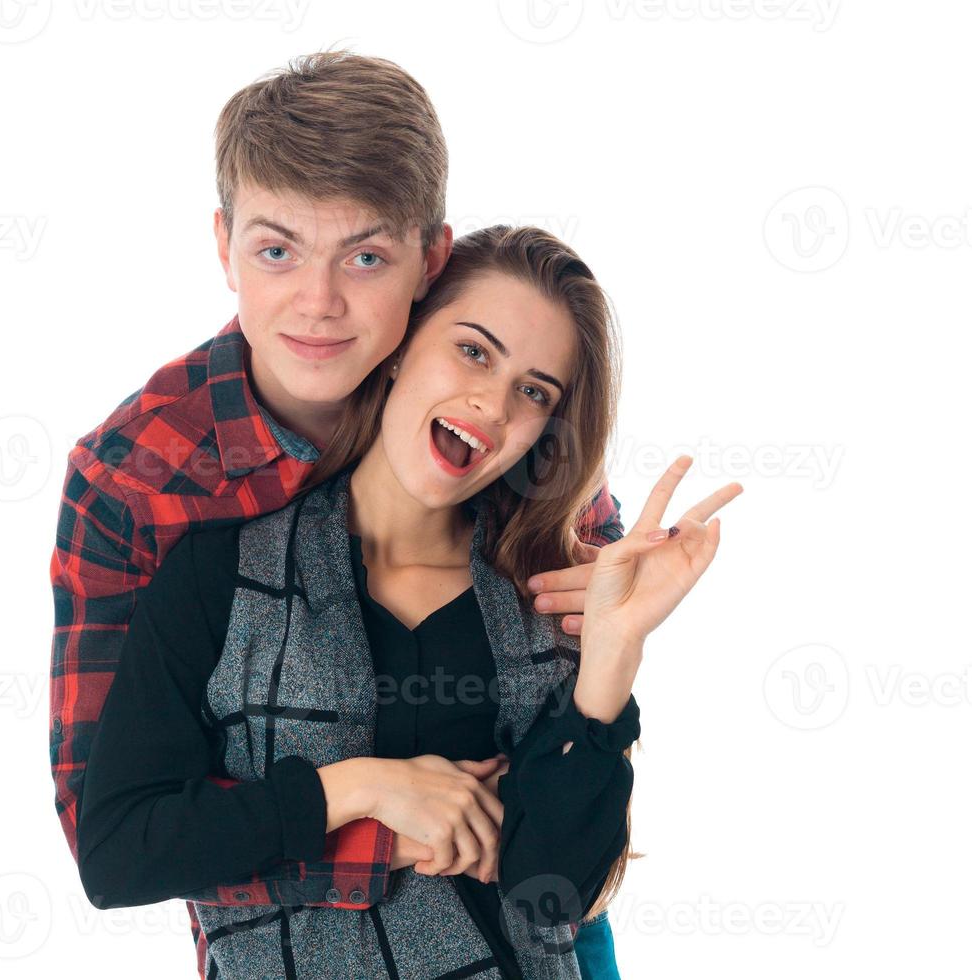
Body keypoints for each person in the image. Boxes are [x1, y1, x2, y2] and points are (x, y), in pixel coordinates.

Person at [47, 51, 633, 974]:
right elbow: (119, 839)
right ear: (223, 245)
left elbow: (571, 819)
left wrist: (611, 645)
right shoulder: (139, 479)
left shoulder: (514, 446)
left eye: (364, 256)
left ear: (430, 262)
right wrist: (376, 816)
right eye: (276, 250)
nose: (317, 306)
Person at [75, 225, 744, 978]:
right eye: (473, 350)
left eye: (532, 391)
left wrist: (614, 654)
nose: (491, 404)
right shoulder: (219, 573)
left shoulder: (545, 591)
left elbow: (555, 891)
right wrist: (363, 789)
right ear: (400, 348)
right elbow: (119, 852)